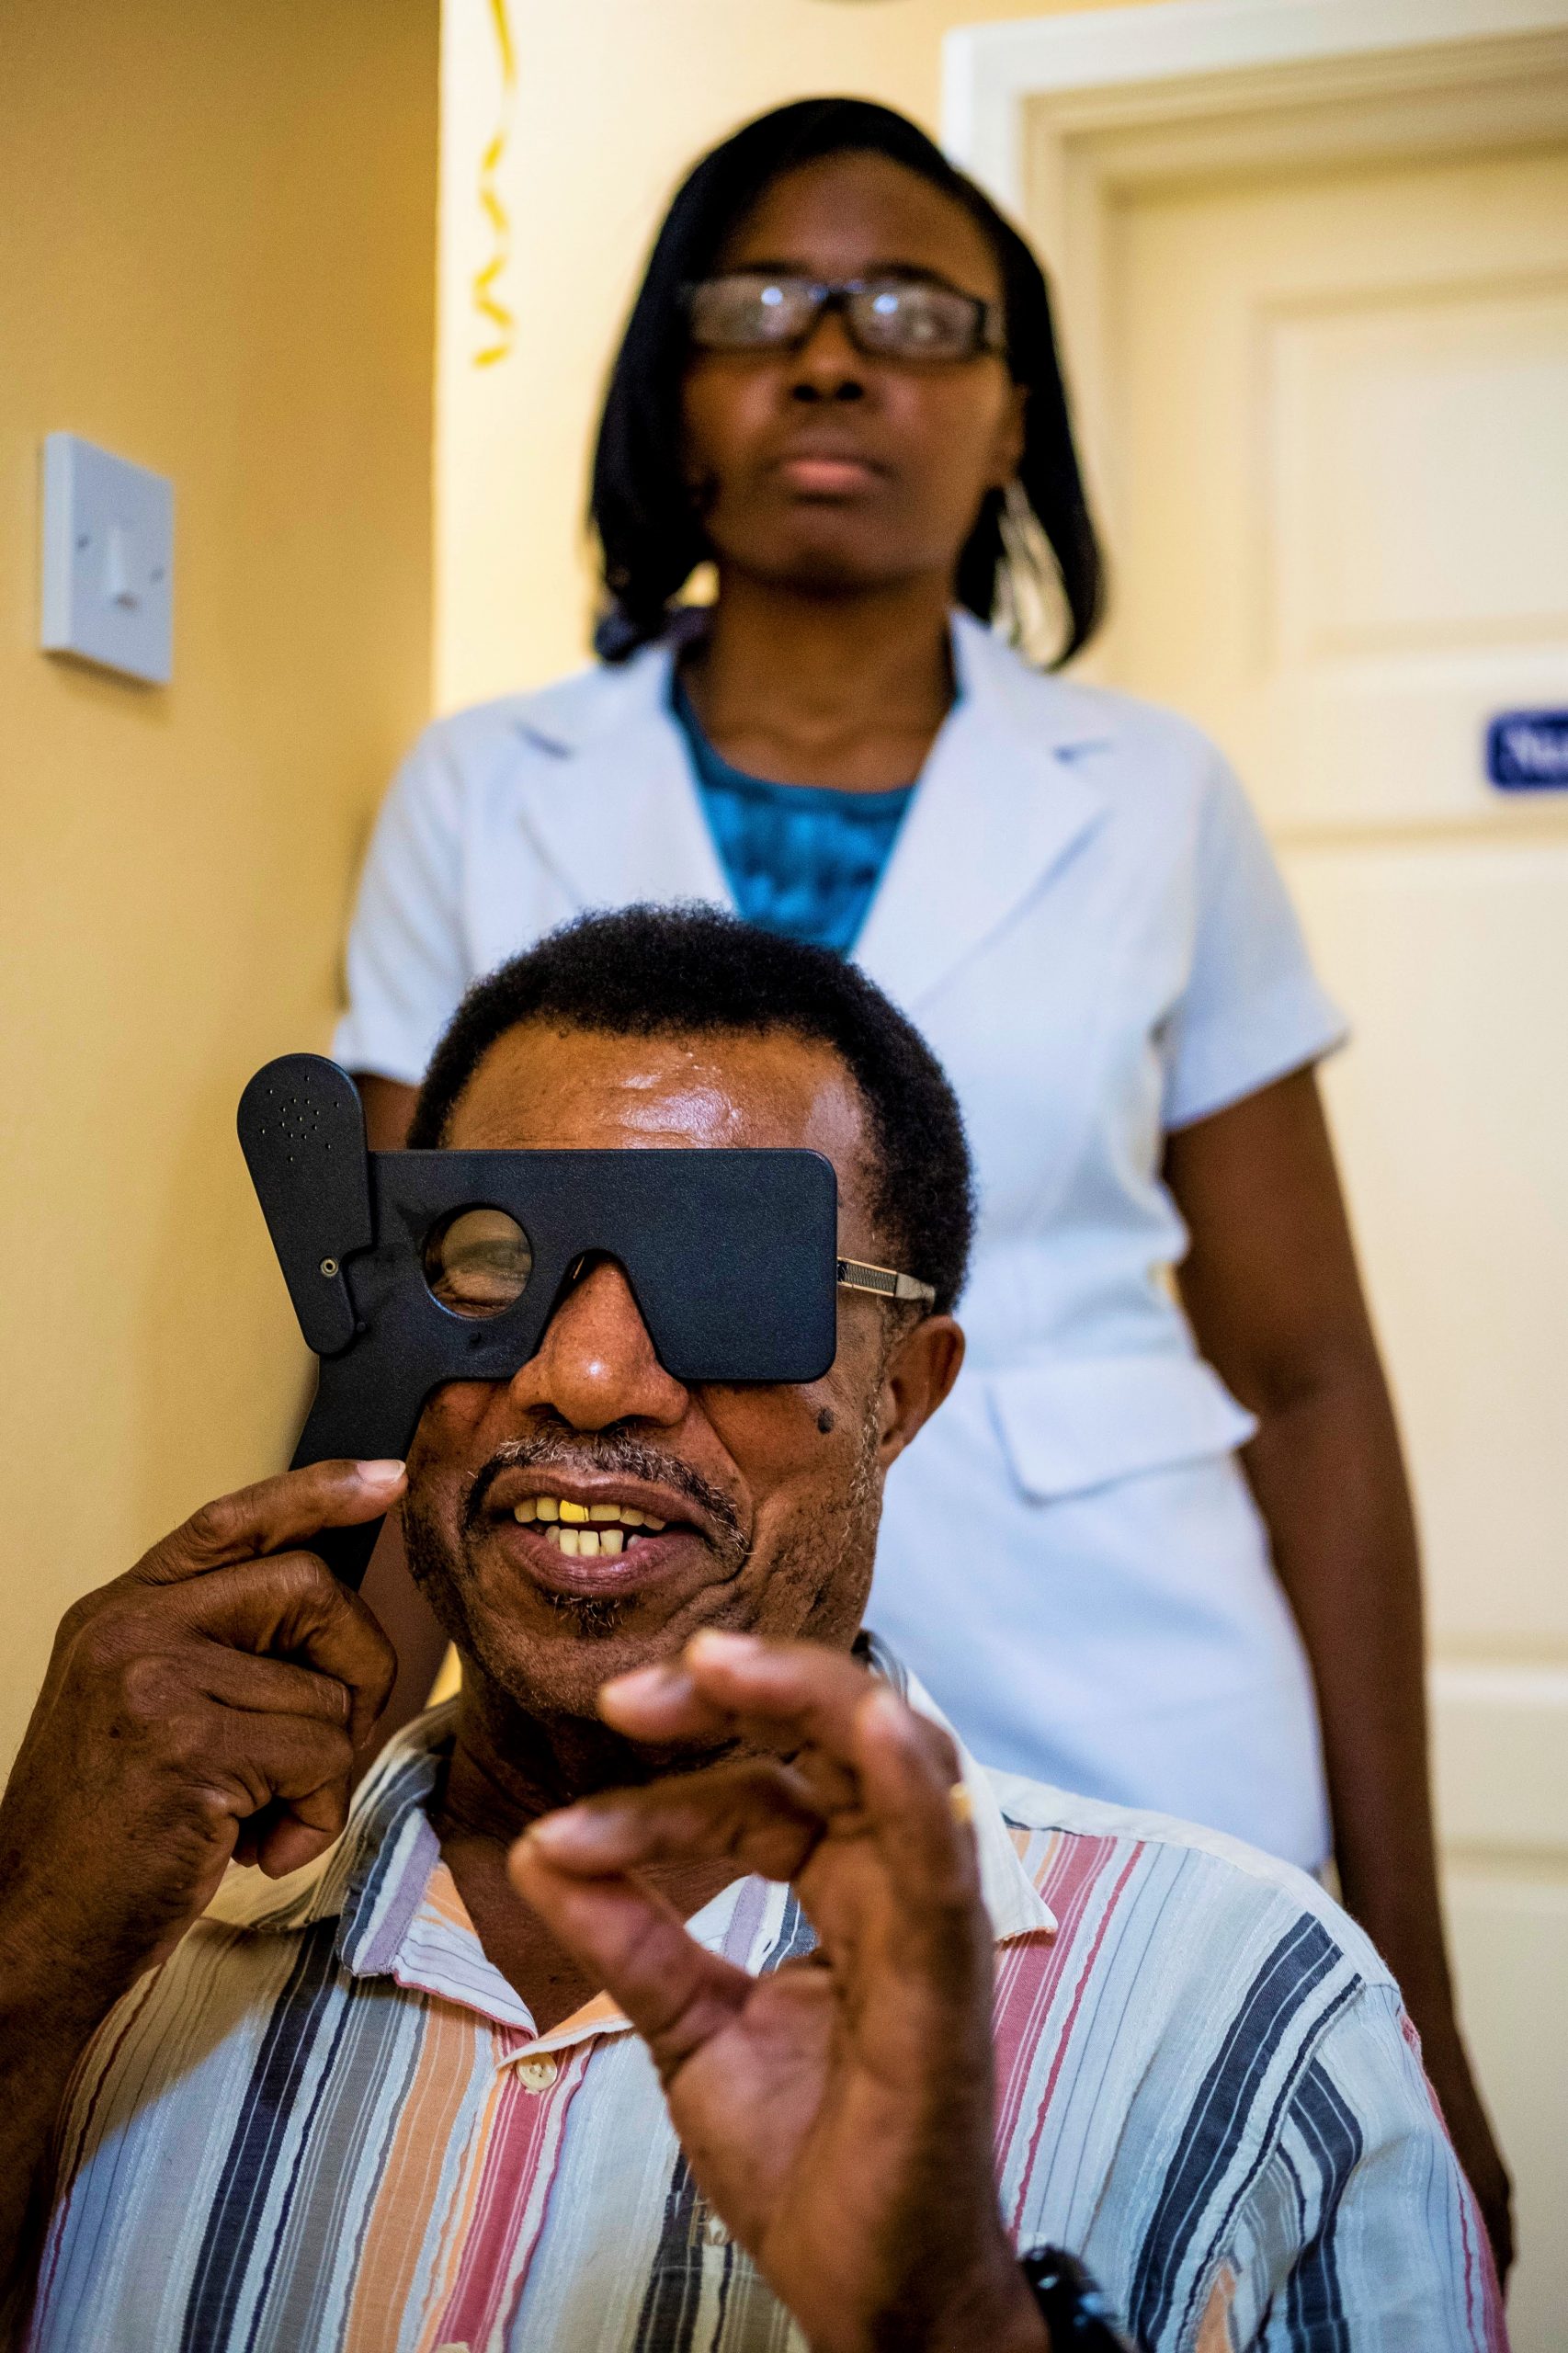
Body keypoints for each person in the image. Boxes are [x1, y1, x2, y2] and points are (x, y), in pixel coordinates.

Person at [331, 99, 1508, 2259]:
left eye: (911, 312)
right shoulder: (485, 786)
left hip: (1127, 1659)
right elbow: (421, 1320)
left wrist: (1412, 1967)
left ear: (1005, 414)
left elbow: (1312, 1370)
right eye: (762, 302)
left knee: (1159, 2186)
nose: (834, 355)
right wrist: (310, 1787)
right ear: (673, 398)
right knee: (610, 2204)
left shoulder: (1153, 795)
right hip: (644, 1634)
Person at [0, 911, 1502, 2352]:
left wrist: (953, 2325)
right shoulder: (121, 1940)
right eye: (496, 1265)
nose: (587, 1377)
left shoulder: (1243, 2020)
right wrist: (26, 1966)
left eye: (727, 1277)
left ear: (903, 1396)